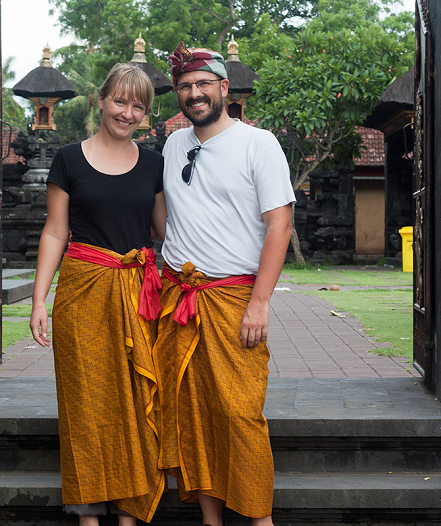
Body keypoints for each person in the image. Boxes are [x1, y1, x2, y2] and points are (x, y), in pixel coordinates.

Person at [155, 43, 295, 526]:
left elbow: (280, 224)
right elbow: (165, 216)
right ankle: (210, 520)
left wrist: (259, 303)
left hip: (233, 297)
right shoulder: (173, 145)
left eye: (202, 85)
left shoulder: (260, 144)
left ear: (223, 88)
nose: (194, 94)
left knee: (239, 413)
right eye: (184, 87)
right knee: (192, 411)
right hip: (180, 298)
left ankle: (259, 519)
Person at [29, 63, 167, 526]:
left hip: (137, 293)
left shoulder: (155, 163)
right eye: (120, 101)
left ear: (146, 114)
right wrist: (37, 300)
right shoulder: (68, 159)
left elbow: (166, 231)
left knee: (133, 398)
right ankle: (89, 514)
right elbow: (55, 232)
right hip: (82, 290)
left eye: (138, 106)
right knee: (85, 401)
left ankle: (129, 511)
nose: (127, 113)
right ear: (102, 100)